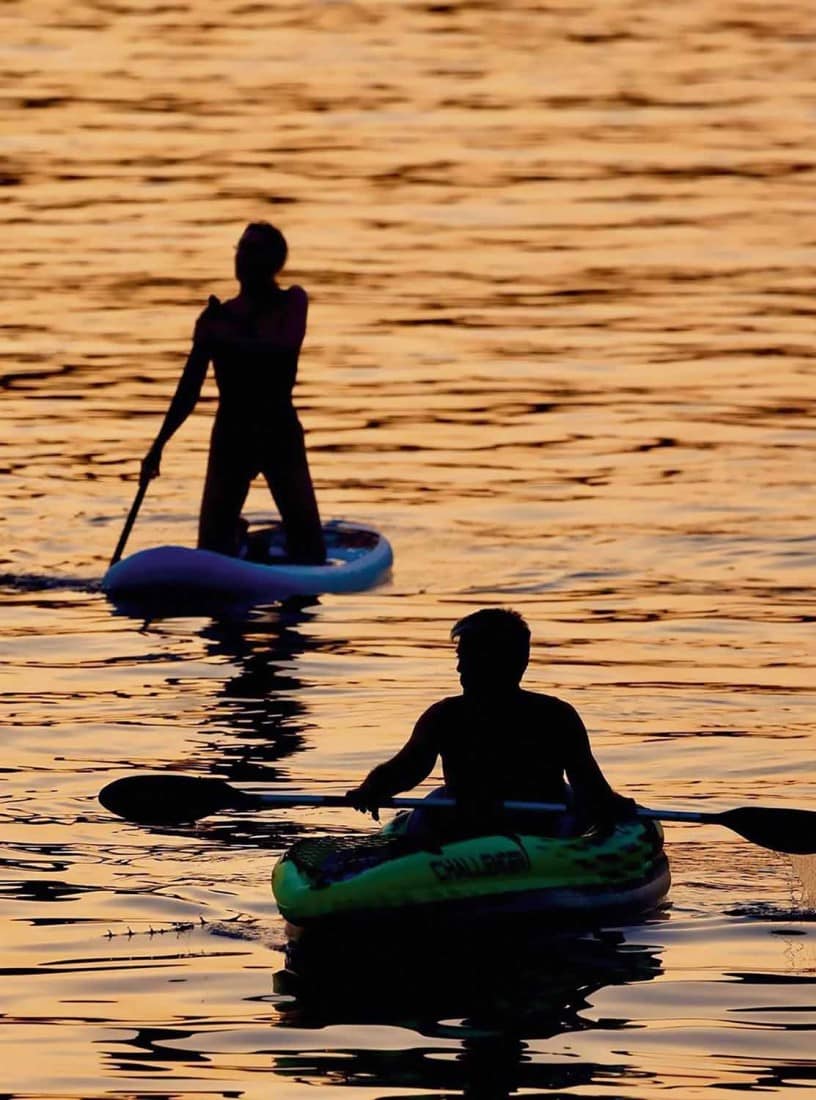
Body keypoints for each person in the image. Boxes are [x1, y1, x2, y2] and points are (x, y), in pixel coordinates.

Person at [346, 608, 636, 839]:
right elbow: (407, 769)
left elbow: (589, 788)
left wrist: (618, 807)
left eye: (467, 658)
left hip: (539, 828)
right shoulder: (444, 716)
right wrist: (371, 789)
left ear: (505, 662)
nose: (459, 668)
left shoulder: (555, 717)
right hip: (467, 823)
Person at [140, 222, 326, 563]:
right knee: (209, 550)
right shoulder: (214, 319)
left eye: (252, 250)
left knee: (312, 551)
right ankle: (237, 539)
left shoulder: (291, 302)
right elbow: (189, 389)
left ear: (273, 262)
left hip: (278, 430)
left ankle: (249, 545)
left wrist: (224, 329)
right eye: (240, 248)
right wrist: (158, 445)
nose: (241, 257)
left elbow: (279, 346)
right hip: (232, 434)